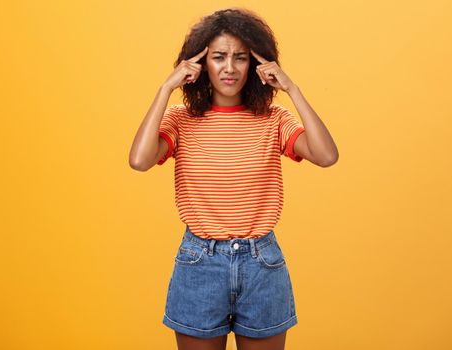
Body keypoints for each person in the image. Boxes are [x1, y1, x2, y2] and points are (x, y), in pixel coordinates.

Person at [129, 7, 338, 350]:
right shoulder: (181, 120)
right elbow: (139, 161)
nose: (229, 68)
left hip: (262, 265)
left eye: (240, 58)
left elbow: (327, 156)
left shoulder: (273, 119)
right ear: (200, 64)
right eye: (219, 57)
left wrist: (293, 90)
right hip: (200, 263)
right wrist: (166, 88)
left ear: (254, 65)